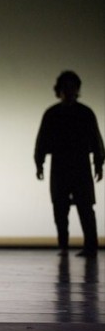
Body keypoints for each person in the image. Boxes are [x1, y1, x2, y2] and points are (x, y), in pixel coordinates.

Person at [34, 71, 104, 258]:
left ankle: (90, 246)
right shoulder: (52, 114)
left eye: (72, 87)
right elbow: (42, 140)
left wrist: (98, 163)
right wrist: (39, 162)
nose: (69, 91)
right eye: (66, 87)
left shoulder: (84, 113)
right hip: (60, 165)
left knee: (85, 207)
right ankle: (64, 246)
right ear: (60, 90)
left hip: (80, 164)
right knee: (60, 207)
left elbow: (96, 140)